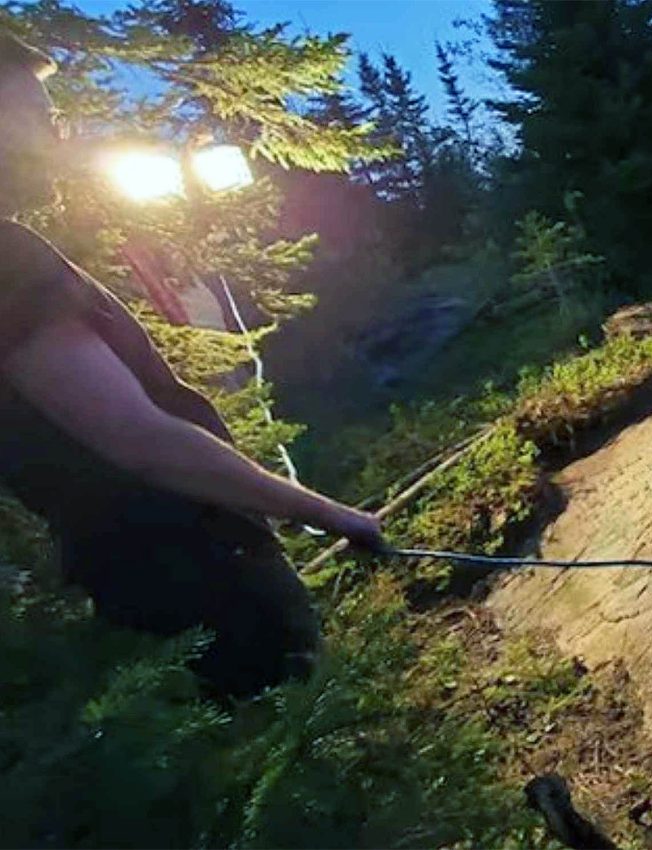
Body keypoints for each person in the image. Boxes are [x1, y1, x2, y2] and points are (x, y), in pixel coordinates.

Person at [0, 33, 384, 696]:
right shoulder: (8, 260)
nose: (54, 134)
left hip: (146, 583)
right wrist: (330, 514)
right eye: (35, 111)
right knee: (300, 733)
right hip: (197, 576)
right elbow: (141, 442)